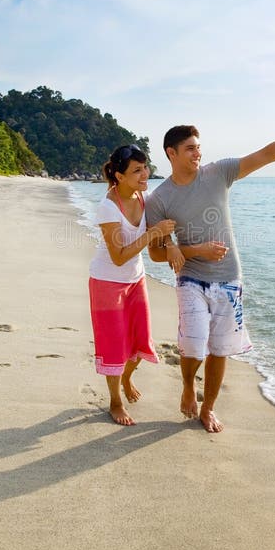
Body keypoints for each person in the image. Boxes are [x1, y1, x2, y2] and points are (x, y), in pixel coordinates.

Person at [146, 121, 275, 433]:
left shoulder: (218, 173)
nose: (198, 153)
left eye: (199, 146)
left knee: (220, 348)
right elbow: (157, 253)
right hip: (191, 279)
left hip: (229, 279)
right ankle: (187, 386)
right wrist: (192, 249)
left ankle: (208, 408)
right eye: (190, 148)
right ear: (171, 153)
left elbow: (267, 154)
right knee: (194, 344)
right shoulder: (159, 199)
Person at [88, 143, 183, 426]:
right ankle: (115, 401)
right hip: (107, 282)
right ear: (119, 176)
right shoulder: (108, 208)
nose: (145, 174)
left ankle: (127, 377)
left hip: (135, 280)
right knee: (114, 345)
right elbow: (118, 257)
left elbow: (159, 237)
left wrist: (171, 244)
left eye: (146, 168)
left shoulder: (145, 199)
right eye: (137, 170)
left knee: (142, 340)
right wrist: (153, 232)